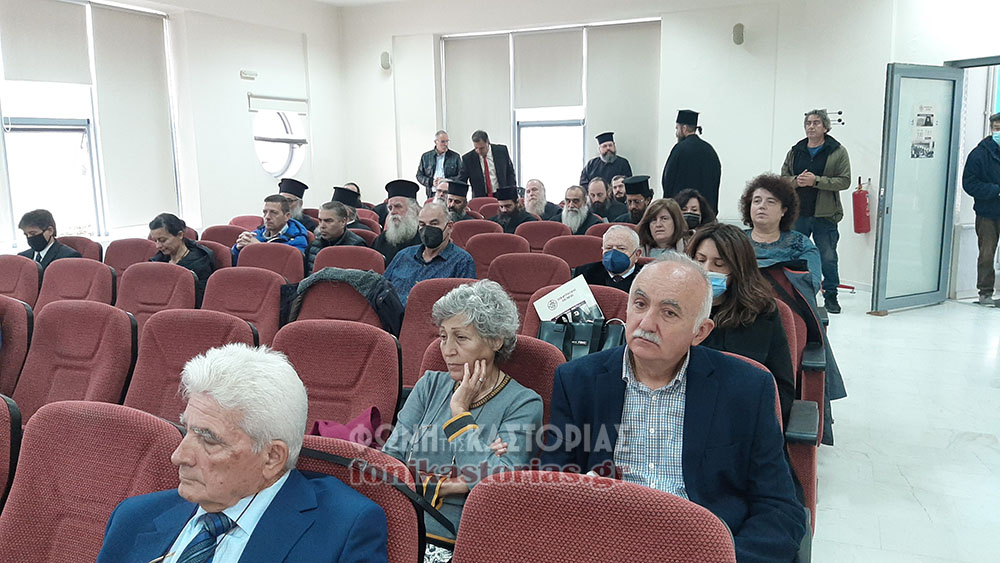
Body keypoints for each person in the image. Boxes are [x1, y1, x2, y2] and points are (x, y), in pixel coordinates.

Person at [540, 253, 806, 563]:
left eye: (668, 313)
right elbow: (554, 483)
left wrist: (724, 558)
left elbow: (778, 507)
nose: (646, 323)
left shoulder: (746, 388)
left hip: (703, 547)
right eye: (640, 304)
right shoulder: (577, 380)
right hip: (606, 544)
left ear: (700, 332)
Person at [97, 343, 389, 563]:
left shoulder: (344, 530)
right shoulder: (134, 517)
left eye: (209, 440)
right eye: (187, 431)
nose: (179, 456)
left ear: (272, 458)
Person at [382, 280, 543, 560]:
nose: (447, 350)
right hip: (399, 525)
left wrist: (459, 411)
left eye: (461, 338)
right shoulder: (429, 385)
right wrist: (458, 484)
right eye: (443, 336)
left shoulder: (524, 403)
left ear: (496, 340)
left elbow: (496, 487)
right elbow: (389, 466)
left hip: (462, 539)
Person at [688, 223, 795, 425]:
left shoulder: (761, 313)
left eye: (719, 264)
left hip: (742, 417)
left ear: (738, 269)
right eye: (700, 260)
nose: (706, 270)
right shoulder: (677, 308)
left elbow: (782, 388)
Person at [781, 109, 851, 314]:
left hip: (825, 215)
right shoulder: (796, 150)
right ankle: (794, 292)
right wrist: (796, 181)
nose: (811, 127)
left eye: (816, 123)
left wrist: (816, 181)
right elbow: (782, 178)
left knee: (827, 257)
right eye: (808, 123)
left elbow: (844, 181)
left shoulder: (837, 151)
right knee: (794, 254)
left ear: (826, 127)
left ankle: (831, 295)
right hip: (798, 214)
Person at [741, 174, 822, 294]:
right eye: (757, 201)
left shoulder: (801, 244)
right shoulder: (735, 241)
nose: (762, 206)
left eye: (771, 202)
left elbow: (810, 286)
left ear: (783, 210)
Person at [384, 201, 476, 306]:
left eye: (434, 224)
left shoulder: (462, 261)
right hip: (392, 314)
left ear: (449, 227)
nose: (427, 229)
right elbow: (382, 288)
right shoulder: (403, 255)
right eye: (422, 224)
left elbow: (465, 305)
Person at [961, 112, 1000, 306]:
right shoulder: (979, 154)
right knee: (986, 254)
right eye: (997, 128)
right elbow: (969, 183)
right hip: (987, 212)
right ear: (991, 129)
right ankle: (985, 293)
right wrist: (995, 191)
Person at [149, 213, 216, 307]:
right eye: (155, 241)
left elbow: (201, 302)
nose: (158, 246)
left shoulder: (200, 262)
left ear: (180, 235)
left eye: (163, 240)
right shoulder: (157, 261)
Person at [660, 109, 722, 211]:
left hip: (682, 210)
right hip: (706, 212)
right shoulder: (710, 150)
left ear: (684, 128)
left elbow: (668, 180)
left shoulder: (679, 149)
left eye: (677, 128)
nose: (676, 133)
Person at [232, 194, 310, 259]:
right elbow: (236, 264)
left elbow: (288, 265)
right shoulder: (256, 234)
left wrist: (259, 247)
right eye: (265, 212)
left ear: (287, 216)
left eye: (274, 212)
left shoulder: (298, 240)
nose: (267, 217)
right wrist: (237, 249)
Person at [305, 201, 368, 275]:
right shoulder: (314, 244)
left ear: (343, 222)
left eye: (328, 221)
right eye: (320, 220)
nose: (322, 226)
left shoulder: (357, 246)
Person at [575, 225, 644, 293]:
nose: (613, 253)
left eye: (621, 248)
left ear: (637, 254)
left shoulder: (646, 277)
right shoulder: (584, 273)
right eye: (608, 248)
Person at [372, 180, 423, 266]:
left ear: (413, 209)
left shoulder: (424, 238)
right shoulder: (382, 239)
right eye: (390, 208)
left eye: (398, 206)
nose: (393, 212)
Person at [458, 130, 517, 198]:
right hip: (480, 197)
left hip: (502, 194)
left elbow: (510, 173)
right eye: (476, 148)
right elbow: (462, 180)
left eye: (482, 148)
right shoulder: (468, 159)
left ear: (488, 143)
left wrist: (512, 193)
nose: (479, 151)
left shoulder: (502, 151)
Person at [16, 209, 81, 270]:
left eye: (33, 233)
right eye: (26, 234)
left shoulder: (69, 257)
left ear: (50, 230)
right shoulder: (22, 258)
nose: (29, 237)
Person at [417, 130, 462, 199]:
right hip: (432, 193)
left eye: (447, 141)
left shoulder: (455, 157)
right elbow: (419, 175)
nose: (446, 144)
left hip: (449, 193)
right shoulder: (426, 157)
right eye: (443, 142)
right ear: (436, 142)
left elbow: (461, 176)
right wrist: (431, 182)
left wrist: (446, 180)